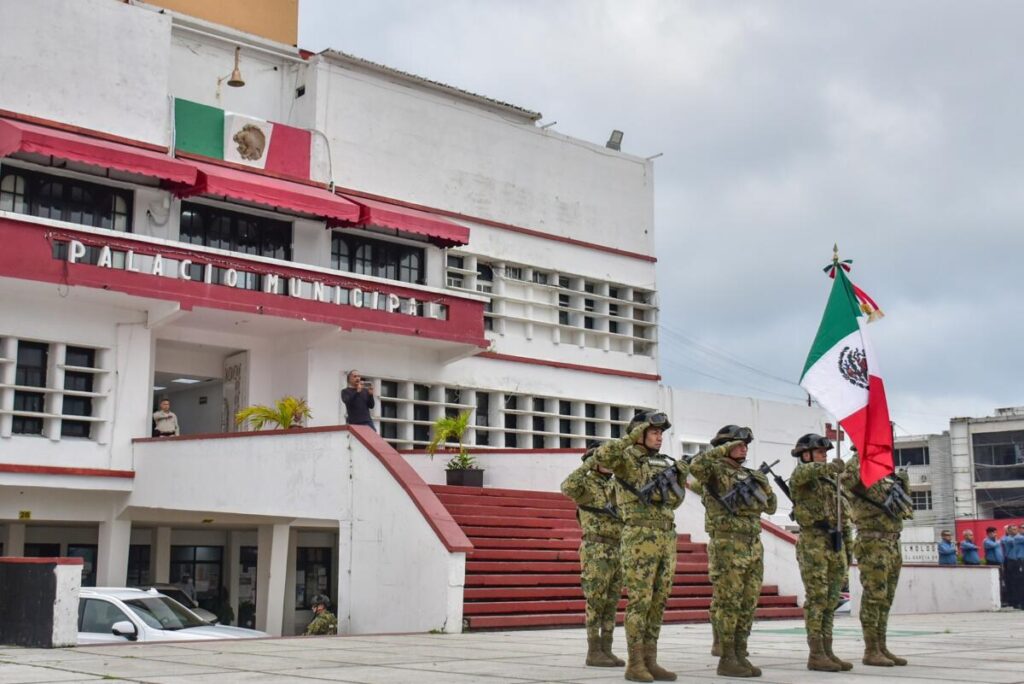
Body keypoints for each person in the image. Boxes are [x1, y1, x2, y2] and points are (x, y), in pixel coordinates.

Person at [591, 410, 687, 682]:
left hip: (666, 536)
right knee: (640, 601)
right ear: (640, 432)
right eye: (654, 432)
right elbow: (602, 457)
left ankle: (650, 660)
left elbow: (673, 502)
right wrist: (630, 438)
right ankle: (635, 663)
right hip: (639, 536)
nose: (659, 438)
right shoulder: (625, 458)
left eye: (661, 434)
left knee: (659, 601)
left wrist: (678, 477)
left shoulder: (662, 463)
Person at [691, 424, 777, 678]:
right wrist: (721, 449)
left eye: (745, 444)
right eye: (737, 443)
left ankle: (740, 653)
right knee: (729, 602)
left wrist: (766, 486)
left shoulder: (751, 475)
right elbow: (694, 467)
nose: (743, 447)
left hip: (752, 543)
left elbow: (771, 507)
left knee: (748, 603)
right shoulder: (714, 471)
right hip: (727, 543)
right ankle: (727, 657)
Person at [841, 449, 913, 667]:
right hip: (872, 541)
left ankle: (882, 646)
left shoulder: (885, 476)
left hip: (892, 541)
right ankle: (871, 649)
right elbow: (847, 481)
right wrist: (860, 456)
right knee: (874, 595)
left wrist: (903, 482)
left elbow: (904, 508)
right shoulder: (858, 468)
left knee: (886, 597)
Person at [788, 433, 854, 672]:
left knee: (831, 600)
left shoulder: (830, 481)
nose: (825, 457)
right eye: (819, 452)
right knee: (817, 599)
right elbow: (804, 474)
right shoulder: (802, 476)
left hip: (834, 542)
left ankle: (828, 649)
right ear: (805, 455)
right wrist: (823, 467)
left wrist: (847, 547)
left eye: (825, 453)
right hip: (813, 542)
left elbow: (843, 516)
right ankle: (816, 653)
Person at [561, 442, 625, 668]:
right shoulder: (586, 484)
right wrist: (590, 461)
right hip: (596, 548)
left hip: (618, 548)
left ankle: (606, 649)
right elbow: (567, 486)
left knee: (612, 602)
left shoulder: (618, 485)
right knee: (596, 600)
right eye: (603, 458)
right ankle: (593, 650)